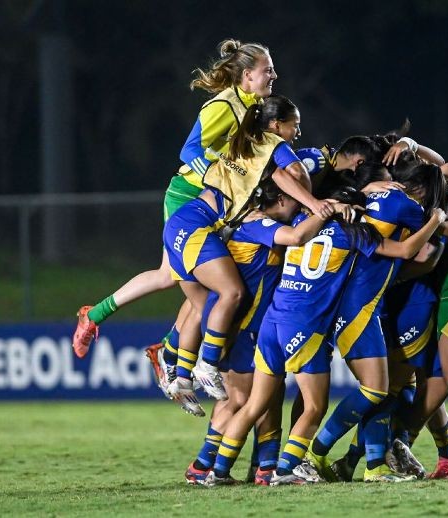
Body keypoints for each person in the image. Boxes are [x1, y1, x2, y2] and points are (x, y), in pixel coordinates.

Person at [71, 39, 278, 377]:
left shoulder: (253, 108)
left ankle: (116, 327)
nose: (273, 75)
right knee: (198, 290)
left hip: (215, 205)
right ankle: (171, 356)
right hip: (189, 199)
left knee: (190, 283)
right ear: (246, 76)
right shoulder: (224, 106)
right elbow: (189, 150)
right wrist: (216, 177)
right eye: (267, 70)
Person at [164, 95, 334, 405]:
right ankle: (206, 365)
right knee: (232, 293)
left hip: (185, 223)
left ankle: (179, 376)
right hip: (197, 225)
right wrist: (315, 204)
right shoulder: (272, 145)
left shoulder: (247, 141)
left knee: (201, 305)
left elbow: (280, 175)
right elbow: (293, 172)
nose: (297, 132)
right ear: (275, 125)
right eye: (293, 125)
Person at [184, 179, 345, 485]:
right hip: (241, 327)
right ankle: (205, 467)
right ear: (282, 199)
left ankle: (263, 467)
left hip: (253, 325)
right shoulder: (257, 223)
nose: (301, 203)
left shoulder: (257, 223)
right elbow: (297, 236)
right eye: (296, 199)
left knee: (266, 398)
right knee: (242, 400)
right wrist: (325, 210)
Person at [306, 162, 447, 483]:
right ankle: (317, 450)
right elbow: (430, 248)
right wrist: (443, 215)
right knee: (376, 389)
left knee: (381, 390)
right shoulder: (406, 204)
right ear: (425, 192)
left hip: (357, 304)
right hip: (361, 308)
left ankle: (374, 467)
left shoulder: (367, 199)